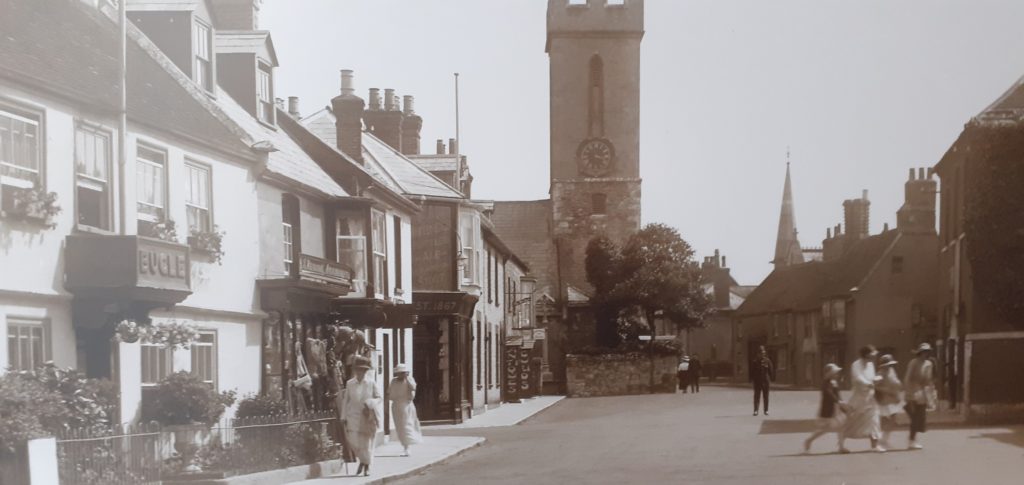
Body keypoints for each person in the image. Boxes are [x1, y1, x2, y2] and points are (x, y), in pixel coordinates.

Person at [340, 355, 381, 476]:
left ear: (366, 371)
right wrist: (343, 416)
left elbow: (379, 397)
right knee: (353, 442)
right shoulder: (350, 384)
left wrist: (371, 403)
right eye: (358, 369)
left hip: (366, 416)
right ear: (355, 370)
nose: (360, 372)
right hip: (352, 416)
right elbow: (346, 400)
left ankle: (367, 466)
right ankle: (363, 460)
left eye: (363, 370)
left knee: (366, 443)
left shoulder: (371, 383)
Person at [840, 345, 884, 453]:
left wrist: (876, 379)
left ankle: (875, 445)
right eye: (872, 354)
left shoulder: (871, 365)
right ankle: (841, 445)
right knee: (851, 421)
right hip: (858, 397)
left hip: (870, 397)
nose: (873, 357)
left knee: (874, 420)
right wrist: (868, 383)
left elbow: (872, 377)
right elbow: (857, 377)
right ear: (866, 355)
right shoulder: (856, 365)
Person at [804, 363, 847, 453]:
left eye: (836, 373)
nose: (837, 374)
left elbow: (837, 394)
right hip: (828, 409)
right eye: (835, 373)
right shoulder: (825, 382)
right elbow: (829, 393)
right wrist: (838, 401)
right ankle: (809, 440)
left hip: (836, 408)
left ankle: (841, 447)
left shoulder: (834, 382)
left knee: (841, 426)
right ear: (828, 373)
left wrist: (842, 404)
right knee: (826, 428)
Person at [904, 342, 936, 450]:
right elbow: (907, 378)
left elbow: (928, 380)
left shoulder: (929, 364)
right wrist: (908, 393)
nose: (925, 354)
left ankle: (913, 440)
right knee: (914, 418)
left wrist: (931, 394)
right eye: (923, 352)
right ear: (919, 352)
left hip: (922, 394)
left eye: (927, 352)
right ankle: (911, 441)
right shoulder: (913, 362)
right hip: (912, 392)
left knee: (920, 419)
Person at [388, 363, 422, 456]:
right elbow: (390, 394)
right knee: (399, 427)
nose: (401, 375)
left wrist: (407, 378)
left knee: (407, 425)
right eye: (399, 373)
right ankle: (404, 445)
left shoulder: (409, 380)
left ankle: (407, 448)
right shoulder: (393, 381)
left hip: (406, 405)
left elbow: (413, 388)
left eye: (403, 373)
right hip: (396, 406)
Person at [874, 354, 904, 449]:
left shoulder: (892, 371)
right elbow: (875, 386)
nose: (889, 366)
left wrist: (898, 387)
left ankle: (884, 440)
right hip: (884, 399)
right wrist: (886, 390)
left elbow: (895, 381)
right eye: (887, 364)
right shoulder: (880, 374)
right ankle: (880, 440)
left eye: (890, 364)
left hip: (892, 398)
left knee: (893, 419)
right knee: (884, 420)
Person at [750, 346, 774, 416]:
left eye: (763, 353)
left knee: (766, 396)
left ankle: (766, 410)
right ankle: (755, 410)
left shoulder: (768, 361)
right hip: (757, 382)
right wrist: (752, 380)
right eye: (761, 353)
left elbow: (771, 370)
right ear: (758, 354)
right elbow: (752, 372)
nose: (762, 355)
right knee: (757, 396)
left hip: (766, 382)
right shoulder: (755, 362)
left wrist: (771, 379)